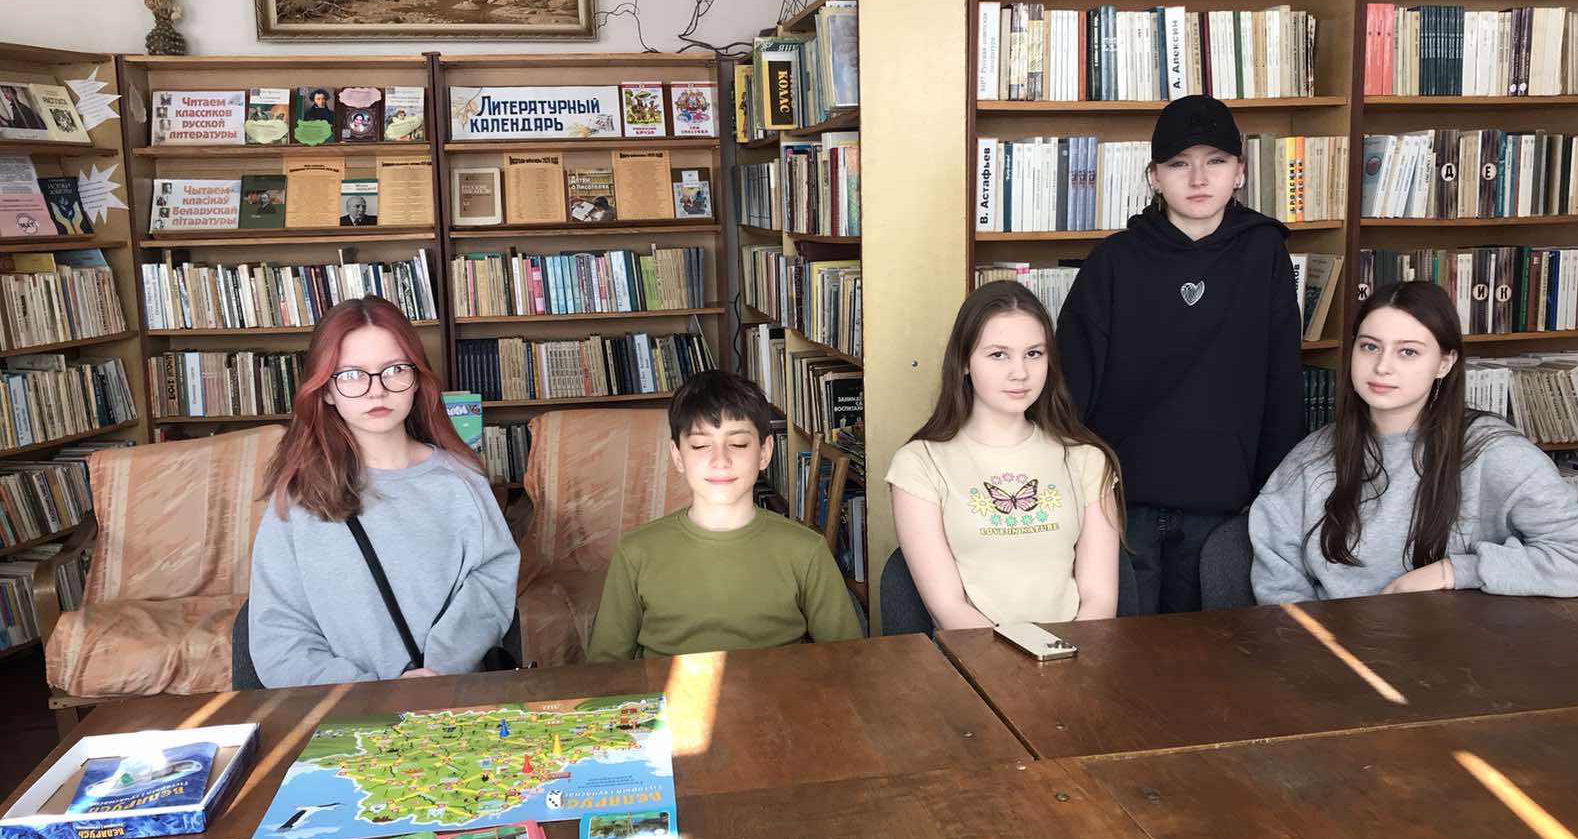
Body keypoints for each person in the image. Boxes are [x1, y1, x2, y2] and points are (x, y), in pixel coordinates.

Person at [1056, 93, 1302, 615]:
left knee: (1204, 651)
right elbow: (1070, 388)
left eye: (1216, 161)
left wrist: (1271, 495)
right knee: (1122, 646)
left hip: (1224, 505)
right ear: (1154, 176)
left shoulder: (1265, 254)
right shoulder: (1113, 261)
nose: (1198, 179)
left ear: (1239, 172)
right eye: (1178, 164)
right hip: (1124, 503)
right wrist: (1078, 494)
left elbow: (1282, 383)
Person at [1250, 280, 1578, 602]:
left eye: (1408, 352)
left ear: (1445, 363)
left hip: (1458, 644)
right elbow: (1278, 585)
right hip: (1333, 644)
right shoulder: (1311, 458)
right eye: (1370, 346)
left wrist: (1454, 571)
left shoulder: (1493, 452)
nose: (1382, 366)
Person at [249, 296, 518, 686]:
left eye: (394, 370)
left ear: (417, 379)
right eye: (351, 375)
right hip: (346, 711)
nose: (376, 391)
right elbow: (279, 638)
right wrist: (373, 693)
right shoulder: (298, 499)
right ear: (326, 390)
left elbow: (492, 584)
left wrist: (438, 670)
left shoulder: (462, 480)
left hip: (447, 701)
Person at [887, 280, 1123, 630]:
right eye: (999, 354)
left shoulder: (1087, 459)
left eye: (1034, 353)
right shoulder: (919, 463)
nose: (1020, 373)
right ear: (964, 362)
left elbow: (1099, 600)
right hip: (974, 655)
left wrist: (1063, 656)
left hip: (1077, 654)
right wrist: (1020, 659)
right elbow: (948, 608)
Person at [586, 369, 863, 661]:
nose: (720, 460)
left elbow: (850, 662)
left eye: (738, 443)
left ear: (764, 452)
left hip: (777, 691)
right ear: (678, 456)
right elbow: (605, 670)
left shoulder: (807, 550)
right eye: (700, 445)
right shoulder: (635, 552)